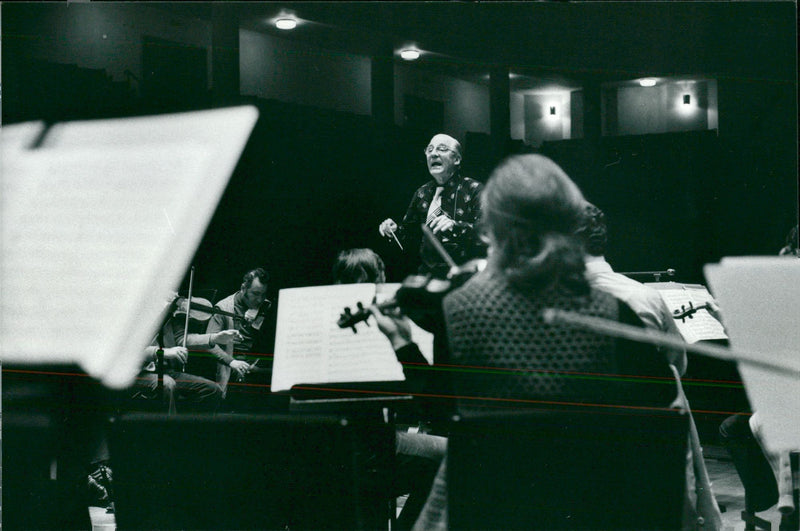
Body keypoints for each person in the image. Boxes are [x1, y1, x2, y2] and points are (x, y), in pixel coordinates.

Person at [373, 154, 679, 530]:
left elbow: (437, 408)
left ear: (492, 226)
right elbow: (661, 397)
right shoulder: (608, 309)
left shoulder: (461, 307)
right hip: (585, 507)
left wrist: (403, 343)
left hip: (491, 505)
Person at [331, 248, 446, 531]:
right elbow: (423, 399)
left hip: (357, 442)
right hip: (370, 447)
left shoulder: (384, 320)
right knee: (454, 454)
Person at [379, 133, 484, 277]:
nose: (433, 154)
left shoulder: (474, 189)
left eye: (441, 149)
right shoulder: (422, 193)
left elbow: (486, 233)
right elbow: (408, 237)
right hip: (427, 277)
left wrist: (456, 226)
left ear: (457, 159)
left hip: (465, 277)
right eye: (430, 150)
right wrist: (394, 230)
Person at [201, 267, 272, 400]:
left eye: (263, 294)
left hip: (258, 363)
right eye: (255, 293)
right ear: (243, 288)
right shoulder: (223, 308)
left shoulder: (266, 306)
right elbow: (208, 343)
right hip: (233, 366)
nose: (259, 299)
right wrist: (232, 362)